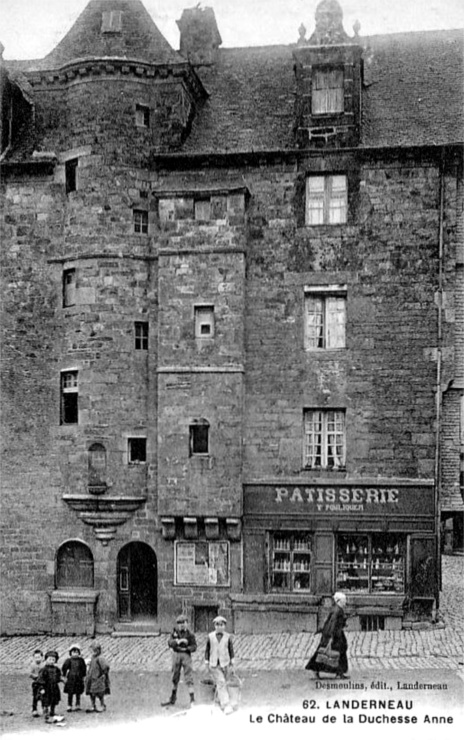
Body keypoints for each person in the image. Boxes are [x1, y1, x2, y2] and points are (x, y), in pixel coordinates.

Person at [305, 592, 349, 679]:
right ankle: (318, 669)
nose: (345, 602)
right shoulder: (337, 610)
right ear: (339, 601)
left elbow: (333, 622)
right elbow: (332, 623)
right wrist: (331, 636)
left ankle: (338, 672)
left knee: (337, 651)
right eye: (344, 600)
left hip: (334, 633)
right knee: (327, 652)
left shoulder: (337, 609)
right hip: (334, 635)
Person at [161, 614, 197, 708]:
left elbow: (194, 647)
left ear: (187, 623)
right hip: (176, 655)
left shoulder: (190, 634)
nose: (181, 625)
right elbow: (169, 642)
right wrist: (177, 642)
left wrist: (187, 648)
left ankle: (192, 700)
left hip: (186, 656)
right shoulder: (175, 633)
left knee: (188, 676)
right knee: (175, 675)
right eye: (179, 623)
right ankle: (173, 698)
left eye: (183, 623)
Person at [204, 615, 236, 715]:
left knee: (222, 683)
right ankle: (226, 705)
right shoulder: (210, 636)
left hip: (225, 663)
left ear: (224, 626)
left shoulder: (227, 637)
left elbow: (231, 649)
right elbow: (207, 650)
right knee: (221, 682)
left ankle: (217, 702)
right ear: (214, 626)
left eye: (221, 625)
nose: (219, 627)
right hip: (214, 664)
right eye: (217, 625)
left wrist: (232, 661)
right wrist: (206, 661)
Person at [36, 650, 65, 724]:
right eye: (50, 659)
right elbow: (40, 679)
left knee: (54, 700)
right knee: (46, 700)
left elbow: (58, 677)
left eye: (53, 660)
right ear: (46, 660)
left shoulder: (56, 669)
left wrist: (61, 680)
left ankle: (52, 711)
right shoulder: (44, 669)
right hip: (46, 687)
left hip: (54, 687)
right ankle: (46, 711)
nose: (51, 661)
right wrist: (41, 688)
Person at [85, 642, 110, 713]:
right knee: (91, 692)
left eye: (94, 651)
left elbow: (105, 667)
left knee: (99, 693)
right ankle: (93, 705)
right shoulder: (93, 658)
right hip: (91, 678)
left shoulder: (100, 658)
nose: (93, 653)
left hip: (98, 679)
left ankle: (102, 704)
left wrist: (101, 675)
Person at [61, 644, 87, 712]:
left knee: (78, 692)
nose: (75, 654)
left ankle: (77, 704)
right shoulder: (69, 660)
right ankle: (69, 705)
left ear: (79, 653)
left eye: (77, 652)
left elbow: (83, 668)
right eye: (73, 652)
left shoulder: (81, 660)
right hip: (71, 678)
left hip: (79, 678)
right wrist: (64, 676)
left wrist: (84, 676)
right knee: (70, 692)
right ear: (70, 653)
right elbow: (64, 668)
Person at [29, 648, 43, 717]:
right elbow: (30, 674)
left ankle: (44, 708)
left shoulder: (43, 665)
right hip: (36, 683)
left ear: (42, 657)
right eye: (36, 657)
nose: (37, 659)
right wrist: (36, 676)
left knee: (44, 695)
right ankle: (34, 709)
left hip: (43, 683)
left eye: (39, 657)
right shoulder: (32, 665)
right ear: (34, 658)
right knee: (35, 696)